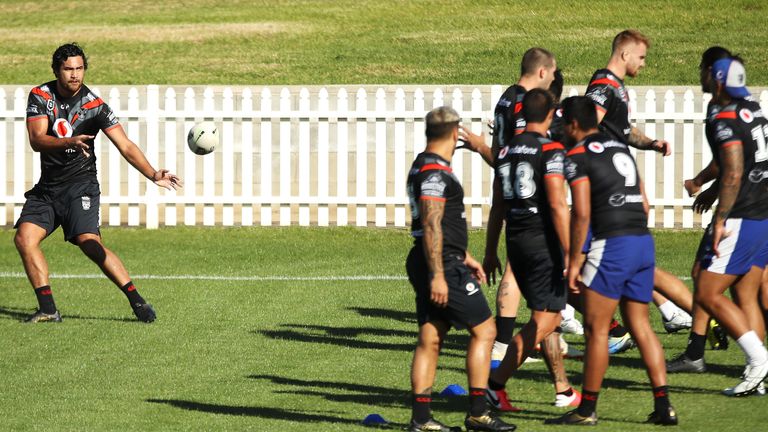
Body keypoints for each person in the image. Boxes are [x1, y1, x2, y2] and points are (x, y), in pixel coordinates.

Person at [15, 43, 182, 323]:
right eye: (68, 69)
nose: (75, 74)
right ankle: (48, 309)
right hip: (48, 189)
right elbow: (36, 140)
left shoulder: (95, 105)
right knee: (24, 239)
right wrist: (68, 141)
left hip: (81, 186)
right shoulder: (41, 96)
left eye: (79, 68)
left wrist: (154, 175)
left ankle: (136, 300)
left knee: (89, 243)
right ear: (56, 70)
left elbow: (125, 145)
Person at [546, 96, 677, 426]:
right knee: (641, 325)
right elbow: (644, 204)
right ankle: (664, 406)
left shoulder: (576, 156)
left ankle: (587, 409)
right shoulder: (619, 148)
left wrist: (575, 261)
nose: (560, 128)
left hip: (613, 245)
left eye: (563, 122)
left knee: (596, 330)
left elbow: (583, 213)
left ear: (574, 124)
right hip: (641, 242)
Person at [405, 106, 515, 432]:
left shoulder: (423, 165)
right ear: (455, 134)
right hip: (440, 265)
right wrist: (440, 272)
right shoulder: (435, 173)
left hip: (441, 259)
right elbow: (431, 222)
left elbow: (438, 224)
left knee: (431, 337)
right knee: (485, 331)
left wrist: (465, 254)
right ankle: (478, 413)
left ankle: (421, 419)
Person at [460, 47, 560, 373]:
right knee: (524, 270)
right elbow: (518, 154)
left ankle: (518, 339)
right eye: (553, 73)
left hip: (507, 184)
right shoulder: (520, 102)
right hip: (523, 189)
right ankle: (515, 342)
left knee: (516, 267)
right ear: (543, 72)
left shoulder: (506, 96)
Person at [485, 88, 581, 411]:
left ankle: (563, 388)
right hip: (542, 243)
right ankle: (495, 385)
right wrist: (570, 253)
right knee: (548, 319)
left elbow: (497, 206)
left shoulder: (505, 150)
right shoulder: (551, 150)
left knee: (544, 311)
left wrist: (489, 251)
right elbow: (556, 204)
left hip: (515, 240)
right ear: (551, 115)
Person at [684, 55, 768, 397]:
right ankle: (758, 372)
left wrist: (720, 219)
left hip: (741, 215)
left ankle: (758, 361)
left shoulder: (723, 117)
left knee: (706, 291)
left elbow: (732, 169)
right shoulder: (753, 108)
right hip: (762, 212)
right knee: (745, 292)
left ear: (715, 79)